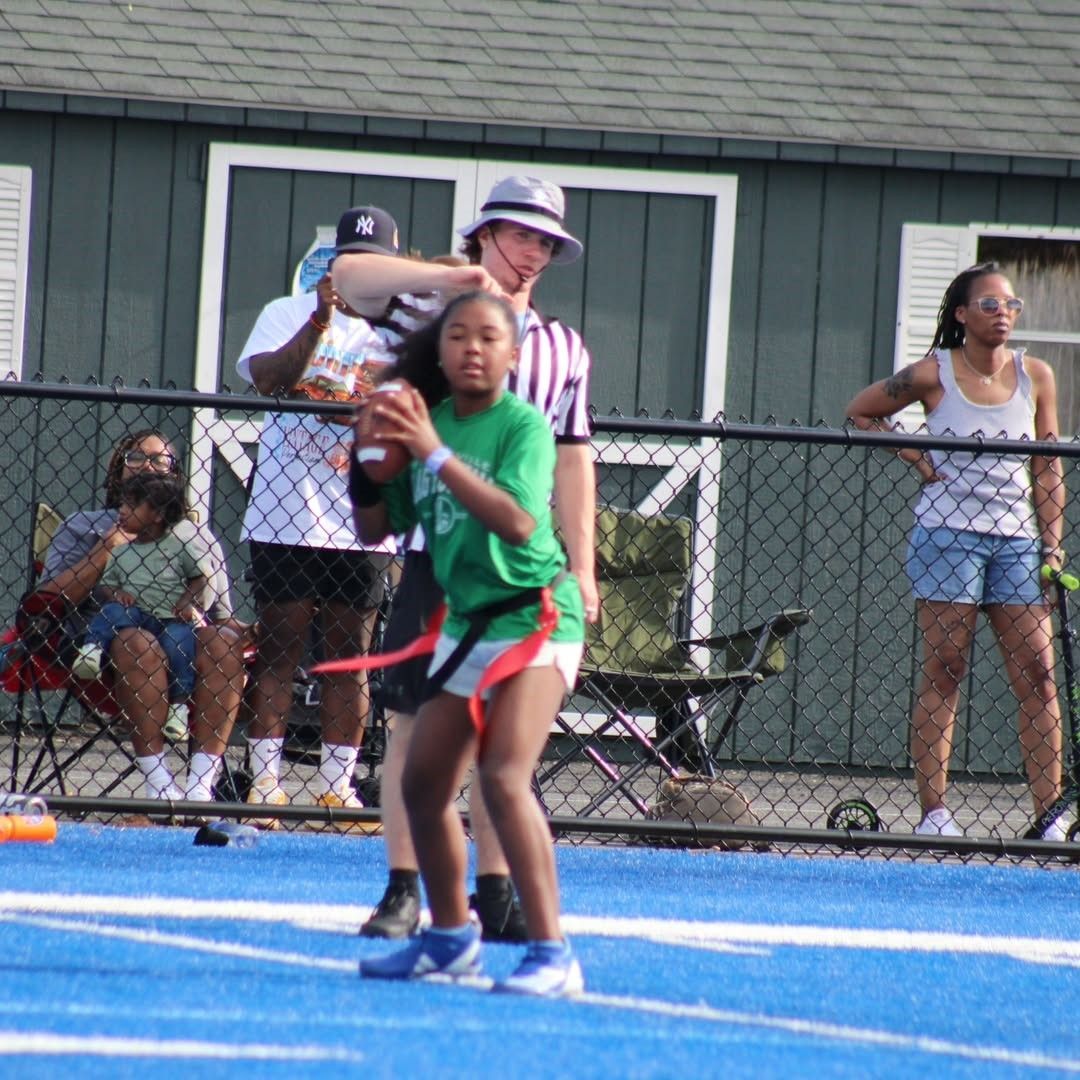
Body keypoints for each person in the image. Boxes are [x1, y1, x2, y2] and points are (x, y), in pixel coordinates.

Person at [332, 177, 598, 939]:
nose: (533, 253)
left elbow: (576, 461)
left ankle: (497, 894)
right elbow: (348, 275)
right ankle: (406, 887)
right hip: (438, 554)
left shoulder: (559, 348)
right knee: (417, 732)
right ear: (483, 233)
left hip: (519, 573)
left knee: (500, 748)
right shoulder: (431, 309)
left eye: (547, 242)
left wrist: (584, 564)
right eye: (521, 235)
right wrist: (452, 278)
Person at [845, 261, 1066, 840]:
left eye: (1011, 305)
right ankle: (935, 814)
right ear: (962, 314)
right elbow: (861, 412)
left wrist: (1053, 544)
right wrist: (917, 459)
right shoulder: (931, 374)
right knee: (946, 669)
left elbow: (1047, 468)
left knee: (1039, 676)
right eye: (990, 304)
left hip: (1017, 541)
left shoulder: (1036, 375)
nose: (1003, 314)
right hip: (947, 537)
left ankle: (1049, 816)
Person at [236, 206, 399, 831]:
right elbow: (271, 382)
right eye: (349, 260)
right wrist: (321, 319)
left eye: (373, 262)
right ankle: (267, 783)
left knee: (348, 653)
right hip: (287, 510)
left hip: (363, 512)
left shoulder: (403, 332)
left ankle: (337, 788)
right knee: (279, 649)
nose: (358, 272)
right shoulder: (288, 310)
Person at [38, 429, 245, 809]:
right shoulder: (82, 525)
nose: (148, 465)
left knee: (224, 643)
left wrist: (246, 631)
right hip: (101, 647)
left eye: (160, 460)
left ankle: (200, 788)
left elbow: (221, 618)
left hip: (184, 642)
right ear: (119, 471)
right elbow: (50, 599)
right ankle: (159, 785)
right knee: (139, 641)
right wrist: (106, 549)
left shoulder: (197, 537)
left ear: (175, 477)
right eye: (136, 457)